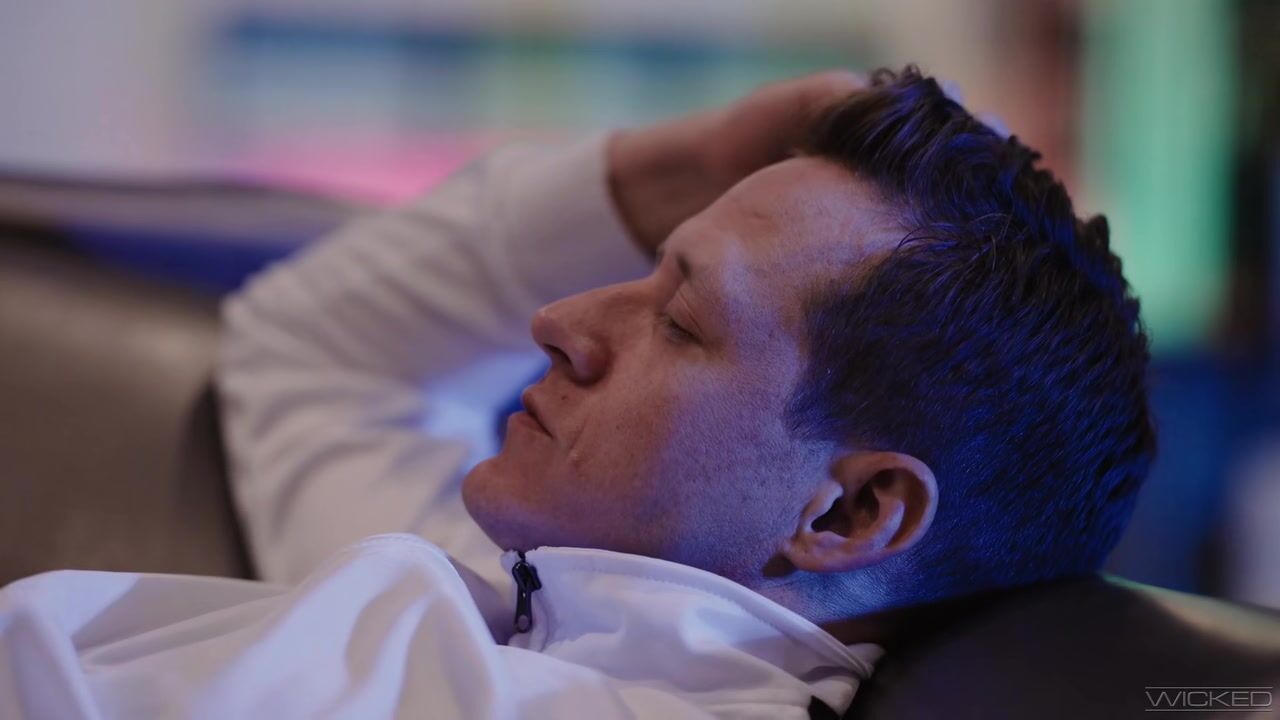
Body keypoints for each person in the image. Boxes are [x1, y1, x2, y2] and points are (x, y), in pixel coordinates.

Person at [0, 66, 1154, 719]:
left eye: (681, 322)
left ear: (848, 512)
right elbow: (317, 355)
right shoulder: (521, 593)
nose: (558, 321)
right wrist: (677, 169)